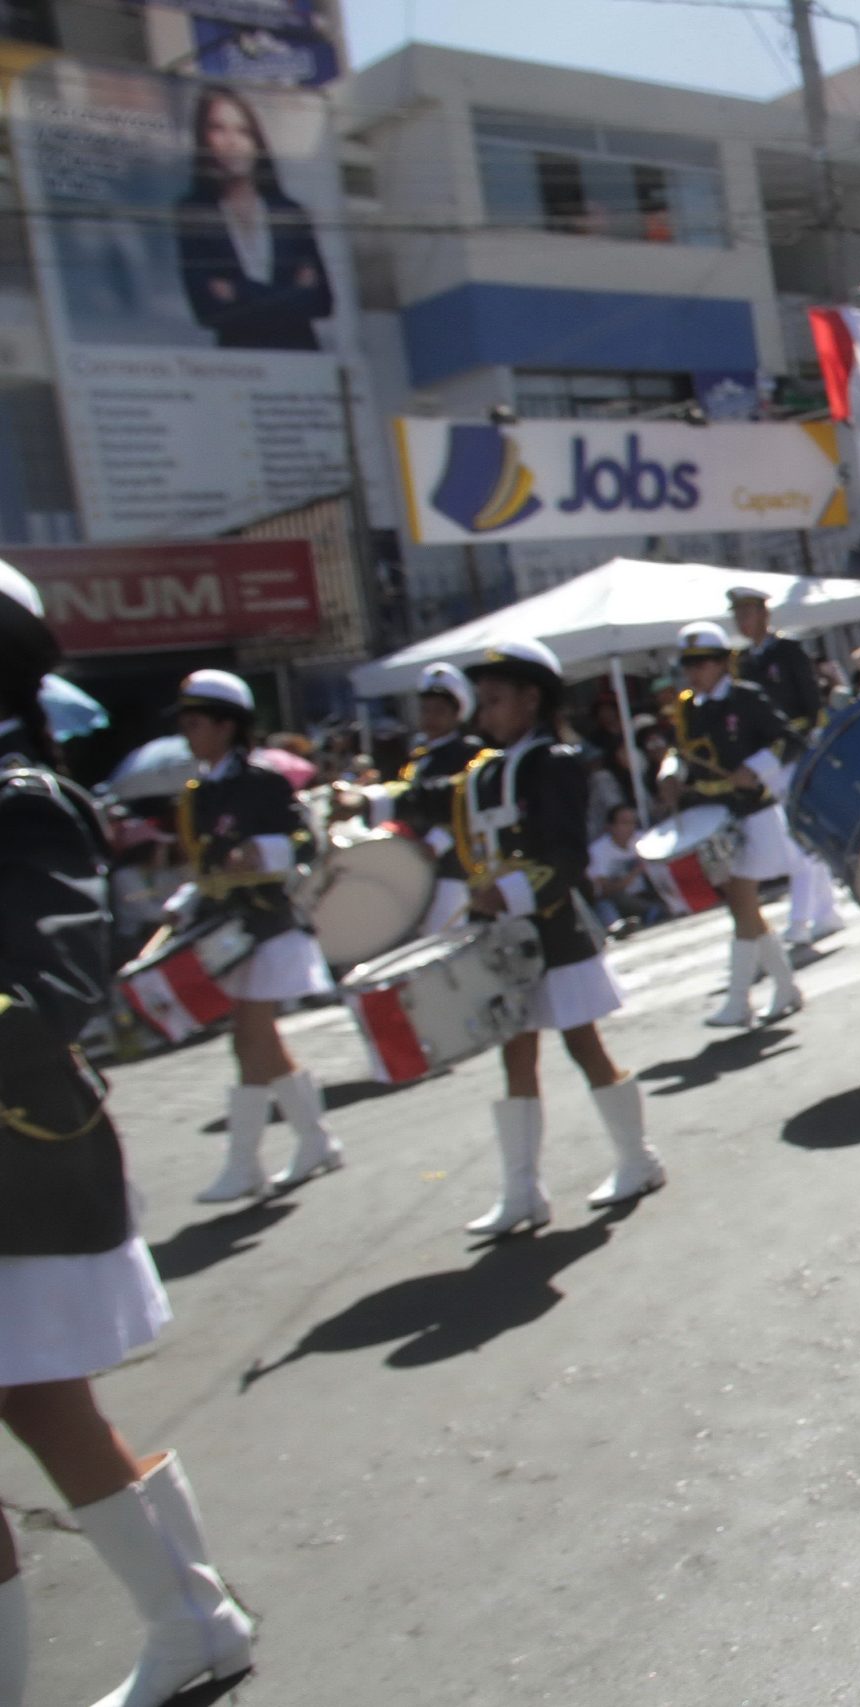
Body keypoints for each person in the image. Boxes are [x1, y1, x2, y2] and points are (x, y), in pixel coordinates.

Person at [0, 564, 258, 1707]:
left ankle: (193, 1620)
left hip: (17, 1161)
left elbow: (54, 984)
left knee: (49, 1409)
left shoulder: (22, 794)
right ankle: (194, 1619)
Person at [454, 639, 665, 1238]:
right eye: (483, 701)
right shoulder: (487, 771)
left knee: (583, 1045)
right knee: (514, 1051)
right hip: (506, 937)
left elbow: (567, 856)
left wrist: (512, 895)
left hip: (554, 928)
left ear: (531, 699)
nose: (485, 712)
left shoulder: (556, 762)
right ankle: (522, 1191)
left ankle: (637, 1158)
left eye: (496, 700)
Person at [151, 670, 342, 1202]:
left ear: (226, 725)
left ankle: (244, 1162)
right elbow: (206, 865)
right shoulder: (198, 792)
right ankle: (316, 1140)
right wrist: (185, 901)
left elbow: (303, 843)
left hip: (270, 926)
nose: (188, 734)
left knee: (248, 1039)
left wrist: (264, 853)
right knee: (263, 1042)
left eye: (196, 723)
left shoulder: (262, 780)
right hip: (229, 930)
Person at [662, 622, 804, 1024]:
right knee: (743, 909)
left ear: (722, 663)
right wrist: (669, 772)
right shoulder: (688, 706)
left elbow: (789, 739)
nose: (695, 672)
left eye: (703, 663)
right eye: (690, 664)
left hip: (752, 813)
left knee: (742, 904)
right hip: (713, 816)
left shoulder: (747, 698)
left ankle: (740, 999)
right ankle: (784, 987)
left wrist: (754, 768)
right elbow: (681, 751)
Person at [727, 585, 846, 946]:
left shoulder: (787, 651)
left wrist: (802, 739)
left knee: (799, 837)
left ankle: (802, 918)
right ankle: (825, 912)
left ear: (764, 614)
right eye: (738, 615)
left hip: (793, 752)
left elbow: (810, 705)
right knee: (797, 837)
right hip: (767, 761)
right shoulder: (743, 661)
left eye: (748, 613)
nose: (742, 621)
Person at [174, 85, 332, 351]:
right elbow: (207, 311)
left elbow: (321, 302)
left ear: (256, 140)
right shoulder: (194, 212)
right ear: (204, 137)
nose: (232, 142)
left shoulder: (289, 212)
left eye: (243, 131)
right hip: (243, 369)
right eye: (218, 129)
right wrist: (290, 296)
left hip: (302, 362)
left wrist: (238, 292)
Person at [342, 662, 486, 934]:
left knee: (443, 937)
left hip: (448, 867)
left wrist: (436, 843)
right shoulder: (419, 755)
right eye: (426, 709)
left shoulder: (466, 752)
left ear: (458, 715)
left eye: (439, 711)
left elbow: (463, 805)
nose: (430, 717)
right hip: (415, 864)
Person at [586, 801, 672, 934]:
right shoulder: (597, 851)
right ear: (611, 826)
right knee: (606, 902)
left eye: (633, 822)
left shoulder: (642, 839)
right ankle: (615, 927)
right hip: (619, 900)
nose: (630, 827)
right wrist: (635, 872)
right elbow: (604, 890)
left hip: (645, 895)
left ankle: (653, 912)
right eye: (624, 823)